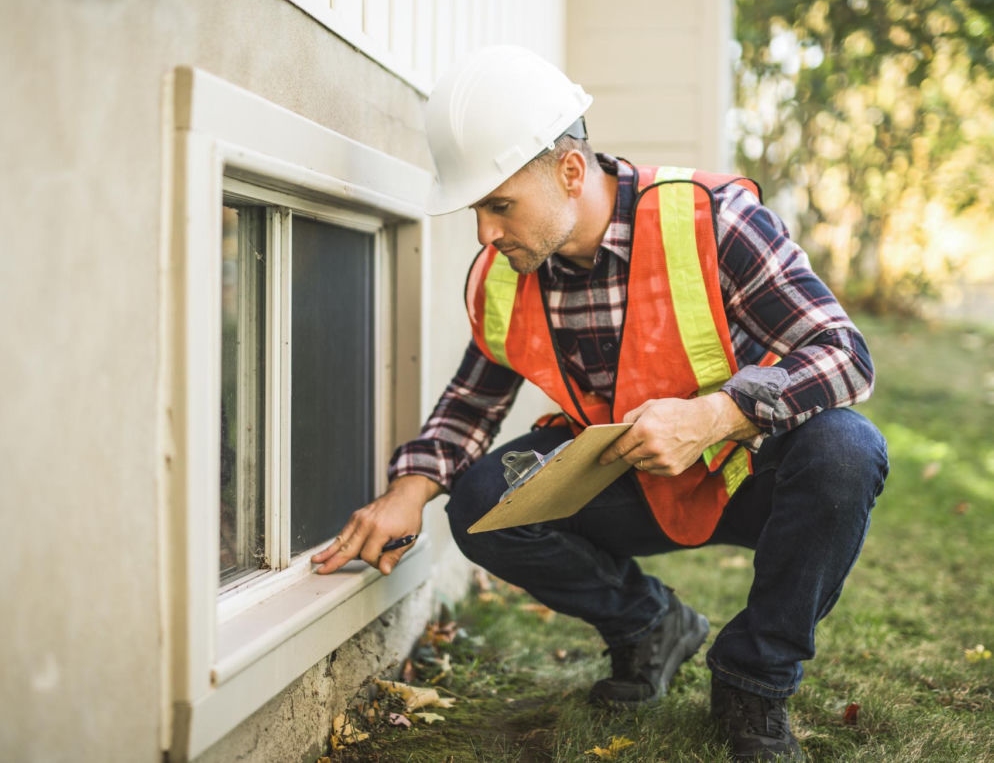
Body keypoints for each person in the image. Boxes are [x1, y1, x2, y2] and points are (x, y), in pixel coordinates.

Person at [311, 45, 889, 761]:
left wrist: (714, 416)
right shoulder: (505, 272)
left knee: (847, 448)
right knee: (482, 501)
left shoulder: (714, 221)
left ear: (571, 171)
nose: (486, 233)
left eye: (499, 205)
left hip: (748, 468)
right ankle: (651, 626)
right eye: (477, 210)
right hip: (630, 478)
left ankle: (754, 681)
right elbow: (472, 402)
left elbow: (844, 354)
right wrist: (409, 489)